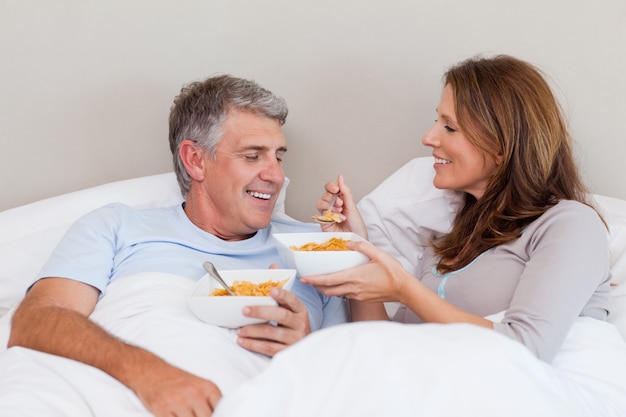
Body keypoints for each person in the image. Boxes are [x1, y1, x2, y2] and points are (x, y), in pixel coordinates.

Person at [7, 74, 347, 416]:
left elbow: (357, 376)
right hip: (118, 391)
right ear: (195, 160)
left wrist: (306, 349)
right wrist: (149, 374)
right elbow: (37, 320)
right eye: (253, 156)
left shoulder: (313, 250)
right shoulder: (117, 226)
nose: (275, 175)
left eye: (278, 156)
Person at [304, 54, 612, 363]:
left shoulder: (569, 225)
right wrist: (357, 249)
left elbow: (526, 350)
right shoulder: (448, 243)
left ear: (501, 144)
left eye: (449, 127)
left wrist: (404, 289)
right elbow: (386, 348)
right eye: (436, 120)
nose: (428, 137)